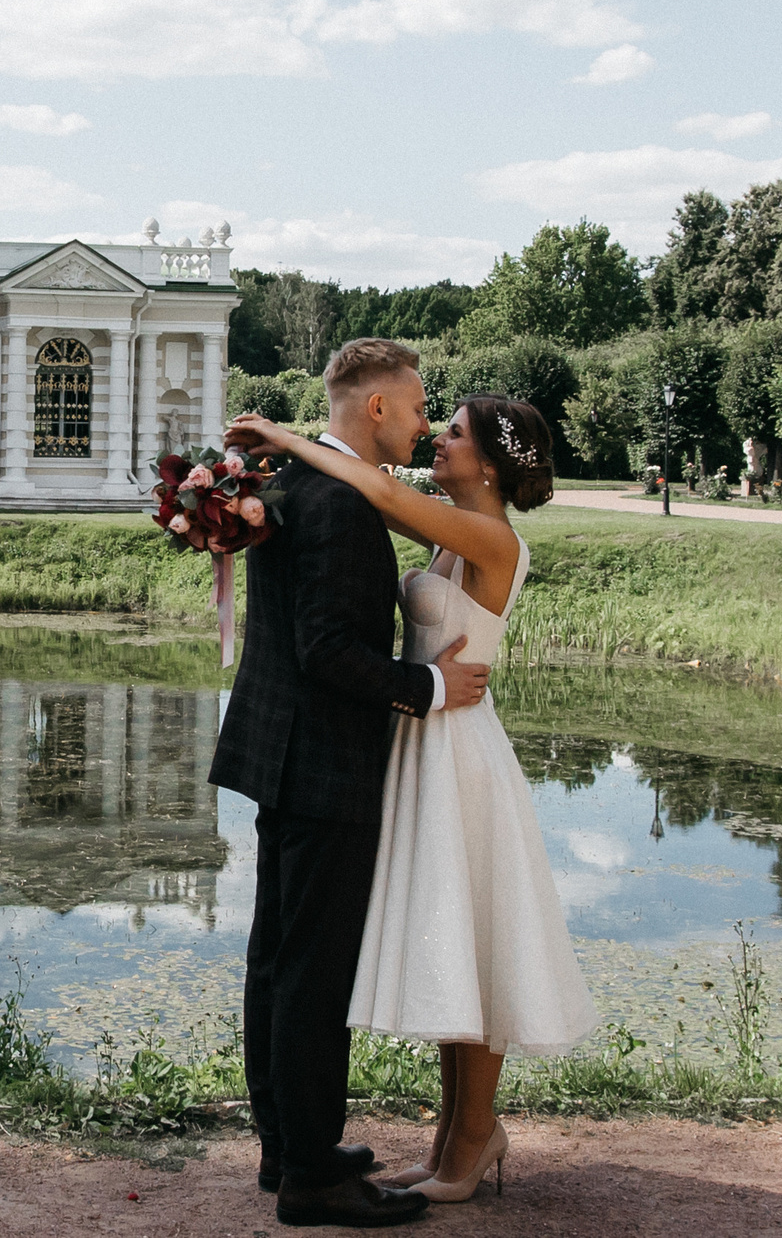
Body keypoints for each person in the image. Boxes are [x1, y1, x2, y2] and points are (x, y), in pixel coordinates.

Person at [228, 380, 599, 1212]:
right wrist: (278, 471)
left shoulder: (489, 536)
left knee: (478, 944)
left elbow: (380, 488)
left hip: (460, 751)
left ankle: (473, 1137)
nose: (438, 435)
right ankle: (448, 1139)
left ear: (491, 466)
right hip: (422, 741)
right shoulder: (448, 523)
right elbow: (364, 486)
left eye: (456, 431)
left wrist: (287, 438)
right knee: (451, 943)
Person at [207, 338, 484, 1229]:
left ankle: (288, 1146)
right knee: (313, 976)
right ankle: (313, 1176)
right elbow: (328, 649)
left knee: (277, 959)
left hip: (283, 754)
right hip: (323, 763)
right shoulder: (338, 502)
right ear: (375, 408)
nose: (423, 423)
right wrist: (429, 687)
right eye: (417, 407)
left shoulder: (297, 484)